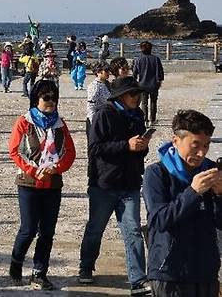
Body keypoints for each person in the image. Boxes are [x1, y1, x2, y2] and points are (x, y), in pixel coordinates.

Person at [78, 76, 153, 296]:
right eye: (133, 94)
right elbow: (94, 149)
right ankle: (85, 266)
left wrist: (142, 146)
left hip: (130, 182)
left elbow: (139, 150)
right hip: (104, 183)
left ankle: (138, 279)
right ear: (121, 96)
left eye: (138, 93)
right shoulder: (104, 114)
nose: (137, 98)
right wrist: (127, 146)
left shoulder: (137, 115)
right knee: (95, 229)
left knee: (133, 232)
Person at [143, 110, 222, 296]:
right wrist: (193, 192)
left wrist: (219, 195)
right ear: (176, 140)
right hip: (170, 274)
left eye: (206, 145)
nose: (201, 153)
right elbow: (159, 221)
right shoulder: (156, 174)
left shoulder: (212, 171)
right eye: (195, 145)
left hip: (205, 273)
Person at [8, 80, 76, 290]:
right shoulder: (24, 122)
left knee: (47, 231)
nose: (51, 102)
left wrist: (56, 168)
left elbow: (70, 153)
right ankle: (16, 262)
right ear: (36, 99)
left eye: (54, 97)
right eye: (46, 97)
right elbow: (15, 151)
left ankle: (39, 272)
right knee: (28, 229)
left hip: (52, 184)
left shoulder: (60, 125)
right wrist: (33, 170)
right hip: (28, 182)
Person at [133, 41, 164, 128]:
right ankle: (152, 120)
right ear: (151, 49)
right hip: (154, 84)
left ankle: (145, 120)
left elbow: (135, 73)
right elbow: (160, 72)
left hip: (142, 84)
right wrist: (160, 81)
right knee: (153, 102)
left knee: (144, 103)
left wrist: (135, 83)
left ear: (141, 49)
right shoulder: (156, 59)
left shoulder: (138, 59)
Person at [85, 61, 111, 140]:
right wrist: (94, 124)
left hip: (105, 119)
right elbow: (91, 107)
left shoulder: (107, 84)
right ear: (98, 72)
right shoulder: (94, 87)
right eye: (106, 71)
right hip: (96, 120)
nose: (108, 73)